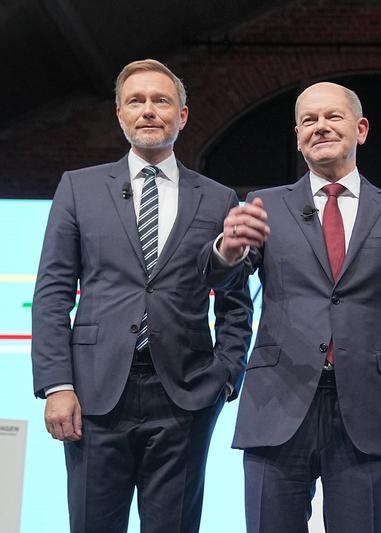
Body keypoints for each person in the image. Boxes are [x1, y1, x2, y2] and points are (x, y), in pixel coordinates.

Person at [199, 81, 381, 532]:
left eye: (333, 116)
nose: (321, 127)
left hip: (368, 408)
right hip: (277, 401)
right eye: (309, 120)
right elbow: (224, 279)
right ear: (297, 137)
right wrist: (227, 252)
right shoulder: (265, 205)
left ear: (361, 129)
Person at [31, 59, 253, 533]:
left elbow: (235, 302)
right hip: (93, 395)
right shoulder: (79, 188)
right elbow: (52, 293)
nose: (148, 110)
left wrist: (224, 378)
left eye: (161, 100)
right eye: (136, 101)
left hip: (185, 397)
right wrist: (57, 385)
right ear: (120, 114)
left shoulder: (218, 198)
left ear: (182, 115)